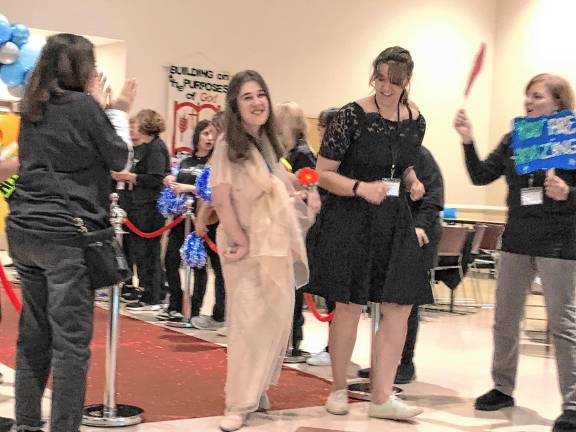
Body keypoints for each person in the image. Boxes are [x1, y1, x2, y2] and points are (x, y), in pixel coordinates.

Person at [6, 33, 136, 432]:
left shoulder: (32, 108)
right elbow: (119, 157)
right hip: (67, 234)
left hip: (25, 230)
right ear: (83, 68)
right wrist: (115, 110)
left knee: (34, 333)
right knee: (71, 344)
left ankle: (28, 424)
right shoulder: (83, 105)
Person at [305, 46, 431, 420]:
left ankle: (381, 397)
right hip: (351, 216)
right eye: (379, 78)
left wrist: (411, 179)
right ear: (372, 75)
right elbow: (323, 172)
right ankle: (338, 389)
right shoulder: (351, 115)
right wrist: (360, 187)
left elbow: (401, 163)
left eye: (393, 81)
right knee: (348, 305)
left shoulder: (416, 119)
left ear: (407, 81)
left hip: (393, 218)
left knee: (400, 306)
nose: (385, 87)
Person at [454, 73, 576, 432]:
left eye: (537, 96)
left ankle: (573, 403)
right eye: (527, 96)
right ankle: (502, 388)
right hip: (518, 238)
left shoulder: (572, 138)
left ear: (558, 102)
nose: (529, 102)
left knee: (563, 324)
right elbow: (480, 176)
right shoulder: (515, 139)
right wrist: (467, 140)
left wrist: (568, 194)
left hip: (559, 241)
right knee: (505, 319)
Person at [210, 70, 315, 431]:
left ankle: (256, 389)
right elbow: (221, 199)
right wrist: (240, 238)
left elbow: (281, 186)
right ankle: (238, 401)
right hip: (245, 245)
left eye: (260, 95)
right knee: (247, 322)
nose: (257, 103)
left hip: (274, 245)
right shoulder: (228, 146)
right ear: (235, 106)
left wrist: (302, 195)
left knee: (274, 319)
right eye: (247, 97)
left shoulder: (269, 145)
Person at [358, 144, 445, 383]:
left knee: (406, 302)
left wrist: (419, 226)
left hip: (415, 235)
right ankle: (382, 360)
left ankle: (404, 363)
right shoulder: (380, 152)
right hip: (385, 235)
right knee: (382, 303)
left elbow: (433, 197)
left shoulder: (421, 156)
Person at [160, 120, 226, 330]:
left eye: (213, 134)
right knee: (171, 261)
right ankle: (176, 304)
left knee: (204, 268)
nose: (209, 138)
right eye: (205, 133)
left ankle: (202, 311)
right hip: (182, 219)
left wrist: (188, 187)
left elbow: (213, 190)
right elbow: (174, 180)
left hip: (208, 220)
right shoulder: (186, 160)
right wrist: (170, 180)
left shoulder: (216, 163)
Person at [113, 109, 170, 312]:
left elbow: (156, 177)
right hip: (140, 203)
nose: (133, 129)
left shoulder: (155, 148)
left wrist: (131, 177)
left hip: (149, 205)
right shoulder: (145, 147)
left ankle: (152, 295)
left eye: (135, 124)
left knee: (148, 252)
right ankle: (152, 291)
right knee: (142, 251)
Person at [276, 101, 316, 359]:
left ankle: (293, 339)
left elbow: (307, 192)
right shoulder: (288, 151)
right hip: (283, 225)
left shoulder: (302, 155)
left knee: (293, 288)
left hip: (297, 228)